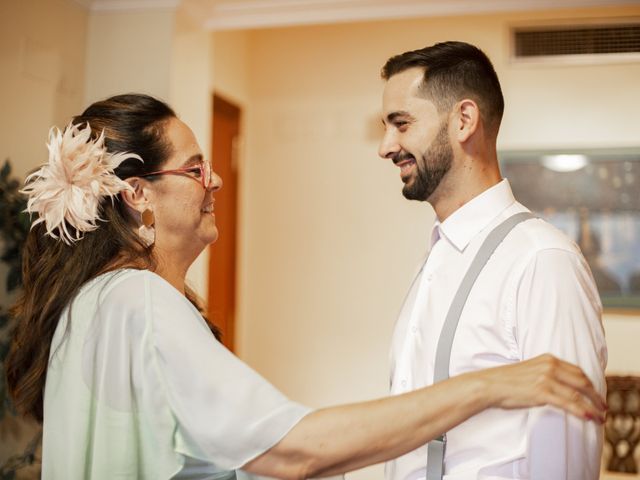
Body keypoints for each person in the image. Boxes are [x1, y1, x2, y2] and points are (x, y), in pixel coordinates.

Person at [5, 94, 605, 480]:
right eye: (194, 169)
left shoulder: (91, 304)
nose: (213, 181)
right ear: (137, 194)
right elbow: (293, 450)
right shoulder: (137, 302)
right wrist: (491, 384)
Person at [378, 41, 607, 480]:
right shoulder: (435, 260)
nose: (386, 146)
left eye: (401, 124)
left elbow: (566, 460)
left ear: (464, 120)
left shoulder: (542, 261)